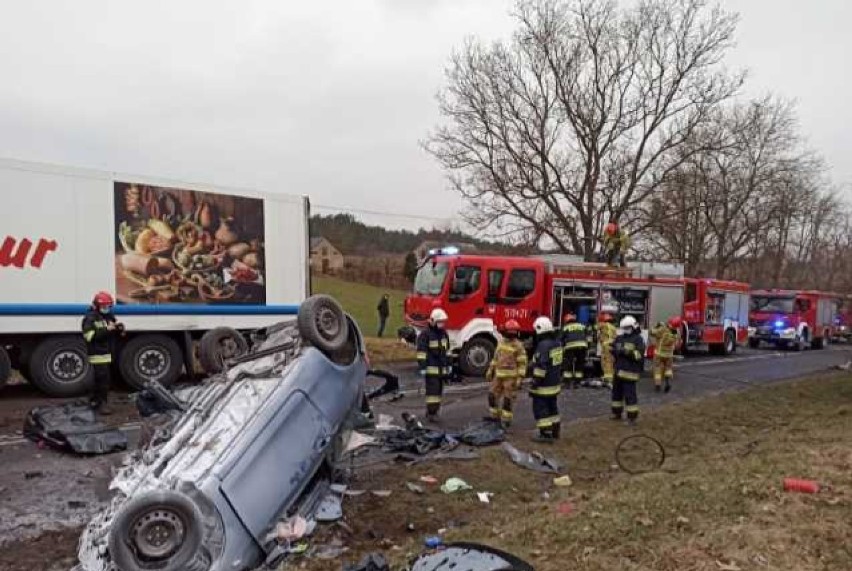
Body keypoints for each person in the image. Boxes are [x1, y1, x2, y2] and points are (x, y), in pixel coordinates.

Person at [81, 291, 123, 415]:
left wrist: (118, 329)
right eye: (104, 306)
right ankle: (101, 404)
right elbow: (89, 336)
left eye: (109, 306)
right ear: (97, 306)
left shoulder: (109, 316)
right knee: (103, 380)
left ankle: (94, 400)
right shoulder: (90, 318)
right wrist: (106, 330)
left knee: (101, 379)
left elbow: (112, 330)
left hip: (108, 352)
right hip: (97, 353)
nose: (107, 309)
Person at [485, 319, 527, 427]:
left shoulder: (518, 346)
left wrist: (520, 378)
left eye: (513, 332)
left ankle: (506, 420)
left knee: (508, 400)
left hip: (511, 378)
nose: (511, 334)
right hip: (498, 376)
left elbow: (522, 363)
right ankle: (494, 417)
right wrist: (490, 370)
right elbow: (495, 358)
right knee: (492, 395)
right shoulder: (501, 343)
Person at [528, 316, 563, 442]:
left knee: (541, 409)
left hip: (543, 385)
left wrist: (535, 382)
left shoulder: (543, 345)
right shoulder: (557, 343)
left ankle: (545, 434)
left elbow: (541, 366)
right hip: (554, 383)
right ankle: (555, 431)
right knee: (552, 407)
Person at [416, 308, 451, 422]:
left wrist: (449, 365)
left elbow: (447, 351)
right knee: (433, 393)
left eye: (443, 321)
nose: (442, 324)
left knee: (438, 392)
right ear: (433, 321)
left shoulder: (444, 333)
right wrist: (422, 367)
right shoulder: (426, 334)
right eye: (440, 321)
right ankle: (431, 413)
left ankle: (434, 411)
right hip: (431, 370)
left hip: (441, 370)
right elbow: (421, 352)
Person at [611, 315, 645, 425]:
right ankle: (617, 413)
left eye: (627, 328)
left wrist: (626, 352)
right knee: (616, 394)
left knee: (630, 396)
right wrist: (613, 349)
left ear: (633, 327)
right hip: (618, 371)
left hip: (630, 372)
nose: (625, 330)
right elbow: (615, 348)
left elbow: (639, 355)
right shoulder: (620, 338)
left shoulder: (638, 339)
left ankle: (632, 418)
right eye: (624, 328)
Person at [651, 316, 681, 393]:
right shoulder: (677, 332)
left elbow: (652, 332)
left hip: (659, 354)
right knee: (668, 369)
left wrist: (657, 326)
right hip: (669, 355)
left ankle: (658, 385)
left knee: (657, 369)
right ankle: (667, 382)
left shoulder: (663, 329)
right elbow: (678, 344)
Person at [561, 313, 588, 387]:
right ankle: (577, 382)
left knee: (568, 364)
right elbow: (587, 335)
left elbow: (561, 338)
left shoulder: (566, 327)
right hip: (582, 346)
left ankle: (567, 382)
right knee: (579, 364)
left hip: (570, 347)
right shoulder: (582, 325)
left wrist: (561, 347)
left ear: (567, 320)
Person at [596, 313, 618, 387]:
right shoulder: (613, 327)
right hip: (612, 346)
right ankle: (609, 377)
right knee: (611, 362)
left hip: (606, 347)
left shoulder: (604, 325)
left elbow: (596, 327)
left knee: (606, 362)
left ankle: (608, 379)